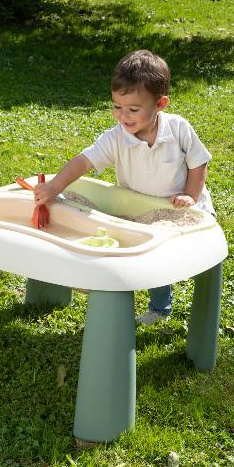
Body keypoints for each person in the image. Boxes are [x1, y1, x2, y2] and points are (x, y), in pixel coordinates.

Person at [33, 49, 215, 325]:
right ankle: (160, 308)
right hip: (142, 214)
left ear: (160, 104)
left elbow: (198, 163)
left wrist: (190, 195)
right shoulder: (116, 138)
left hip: (184, 211)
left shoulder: (178, 129)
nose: (123, 116)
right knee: (153, 258)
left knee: (190, 259)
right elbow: (84, 161)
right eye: (117, 106)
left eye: (133, 109)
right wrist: (55, 186)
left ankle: (198, 307)